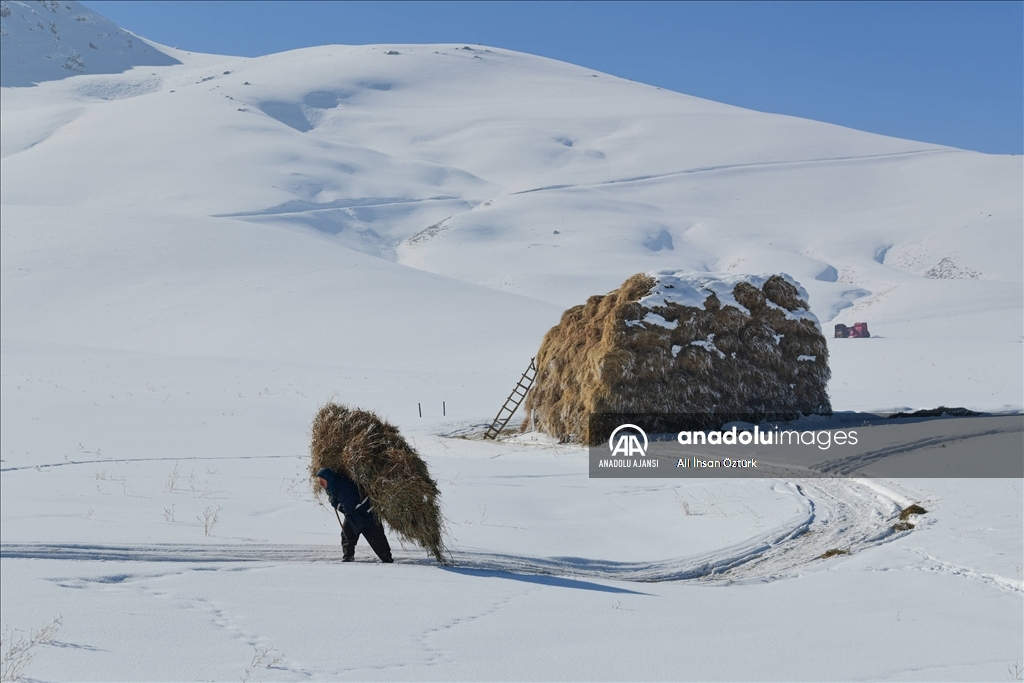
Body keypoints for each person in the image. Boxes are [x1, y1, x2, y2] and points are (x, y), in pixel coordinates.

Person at [316, 467, 393, 563]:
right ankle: (348, 558)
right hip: (354, 516)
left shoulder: (344, 487)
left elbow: (348, 509)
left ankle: (387, 560)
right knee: (347, 535)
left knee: (376, 538)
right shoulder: (335, 485)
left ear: (329, 478)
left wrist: (334, 503)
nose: (320, 485)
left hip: (366, 515)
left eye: (322, 482)